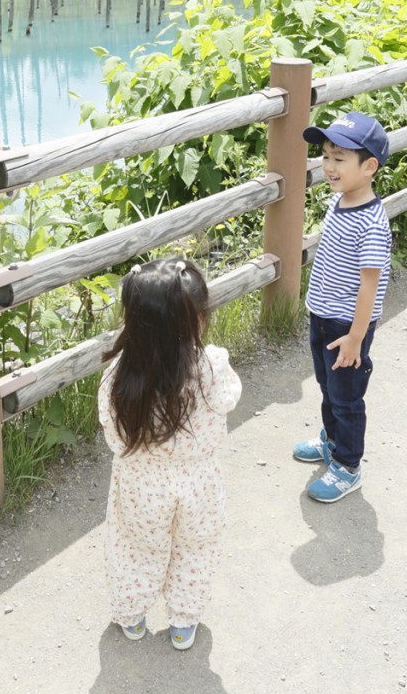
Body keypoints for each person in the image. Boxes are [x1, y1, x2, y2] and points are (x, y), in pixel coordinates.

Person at [97, 257, 242, 650]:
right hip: (199, 484)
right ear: (194, 319)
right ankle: (183, 621)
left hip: (140, 483)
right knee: (195, 548)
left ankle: (132, 617)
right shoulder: (210, 367)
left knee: (135, 547)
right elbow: (231, 396)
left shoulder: (118, 379)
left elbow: (114, 434)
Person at [294, 111, 392, 503]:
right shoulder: (340, 202)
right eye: (326, 155)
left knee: (346, 397)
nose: (328, 166)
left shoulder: (371, 222)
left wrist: (355, 337)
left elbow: (370, 285)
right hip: (322, 317)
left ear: (369, 167)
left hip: (346, 328)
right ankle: (332, 440)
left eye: (339, 159)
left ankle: (348, 465)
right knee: (327, 386)